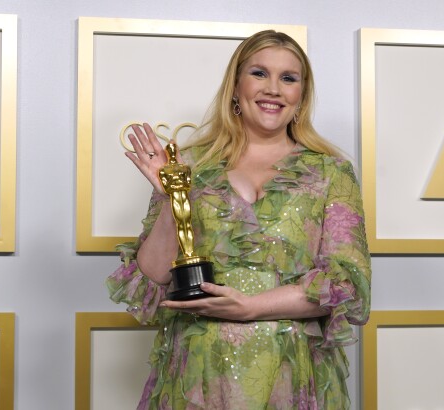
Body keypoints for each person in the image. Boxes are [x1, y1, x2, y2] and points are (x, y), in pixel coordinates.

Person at [107, 30, 371, 410]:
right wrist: (171, 196)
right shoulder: (191, 165)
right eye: (259, 73)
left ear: (301, 95)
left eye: (289, 78)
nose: (274, 89)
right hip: (198, 373)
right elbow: (154, 276)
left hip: (290, 373)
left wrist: (252, 306)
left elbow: (347, 284)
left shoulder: (331, 172)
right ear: (235, 85)